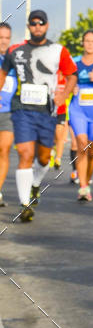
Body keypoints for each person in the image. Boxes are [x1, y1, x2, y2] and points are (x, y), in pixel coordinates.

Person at [0, 10, 77, 221]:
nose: (37, 27)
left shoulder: (58, 50)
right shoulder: (16, 50)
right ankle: (25, 204)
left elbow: (72, 75)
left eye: (40, 23)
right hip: (22, 109)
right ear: (28, 26)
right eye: (33, 23)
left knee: (43, 158)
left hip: (46, 111)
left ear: (47, 25)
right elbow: (3, 72)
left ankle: (35, 184)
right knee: (25, 153)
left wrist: (64, 93)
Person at [69, 29, 93, 202]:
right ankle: (83, 187)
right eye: (87, 41)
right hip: (78, 110)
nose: (89, 44)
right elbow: (66, 81)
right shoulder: (74, 63)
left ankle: (86, 180)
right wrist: (71, 87)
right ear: (82, 43)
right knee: (82, 145)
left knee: (92, 148)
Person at [0, 22, 17, 206]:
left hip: (8, 113)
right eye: (0, 37)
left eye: (7, 38)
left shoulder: (15, 60)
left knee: (4, 150)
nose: (3, 42)